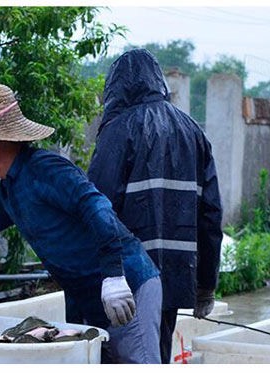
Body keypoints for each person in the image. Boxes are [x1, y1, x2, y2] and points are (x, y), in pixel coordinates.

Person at [0, 84, 162, 363]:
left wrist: (114, 274)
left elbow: (97, 206)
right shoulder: (10, 189)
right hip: (85, 296)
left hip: (126, 286)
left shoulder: (46, 169)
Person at [86, 49, 223, 364]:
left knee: (125, 357)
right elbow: (211, 215)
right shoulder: (193, 132)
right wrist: (206, 286)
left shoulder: (118, 130)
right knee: (157, 351)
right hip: (176, 276)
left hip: (126, 278)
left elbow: (95, 205)